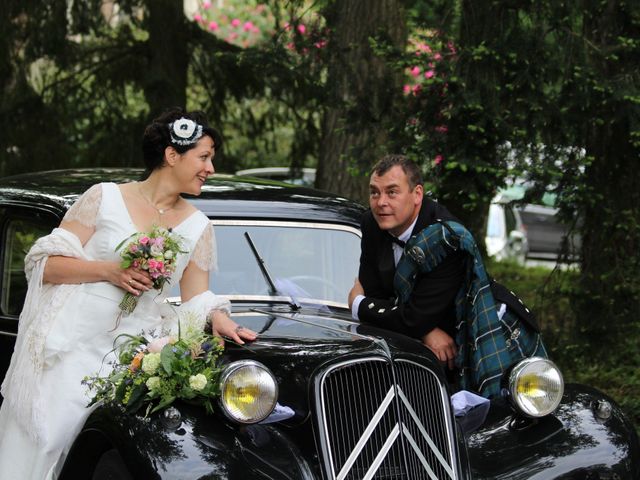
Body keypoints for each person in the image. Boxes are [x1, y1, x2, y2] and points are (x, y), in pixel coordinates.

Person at [0, 108, 257, 479]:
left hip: (131, 355)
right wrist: (109, 270)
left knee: (112, 452)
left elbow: (196, 298)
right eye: (204, 156)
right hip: (70, 345)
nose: (210, 168)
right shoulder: (103, 198)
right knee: (47, 441)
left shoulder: (199, 226)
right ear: (172, 155)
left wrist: (219, 318)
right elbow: (47, 265)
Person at [348, 154, 466, 370]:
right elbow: (376, 293)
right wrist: (426, 330)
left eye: (392, 192)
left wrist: (358, 304)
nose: (381, 202)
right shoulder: (372, 223)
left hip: (456, 351)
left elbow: (414, 317)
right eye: (375, 192)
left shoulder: (447, 237)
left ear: (417, 194)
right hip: (406, 340)